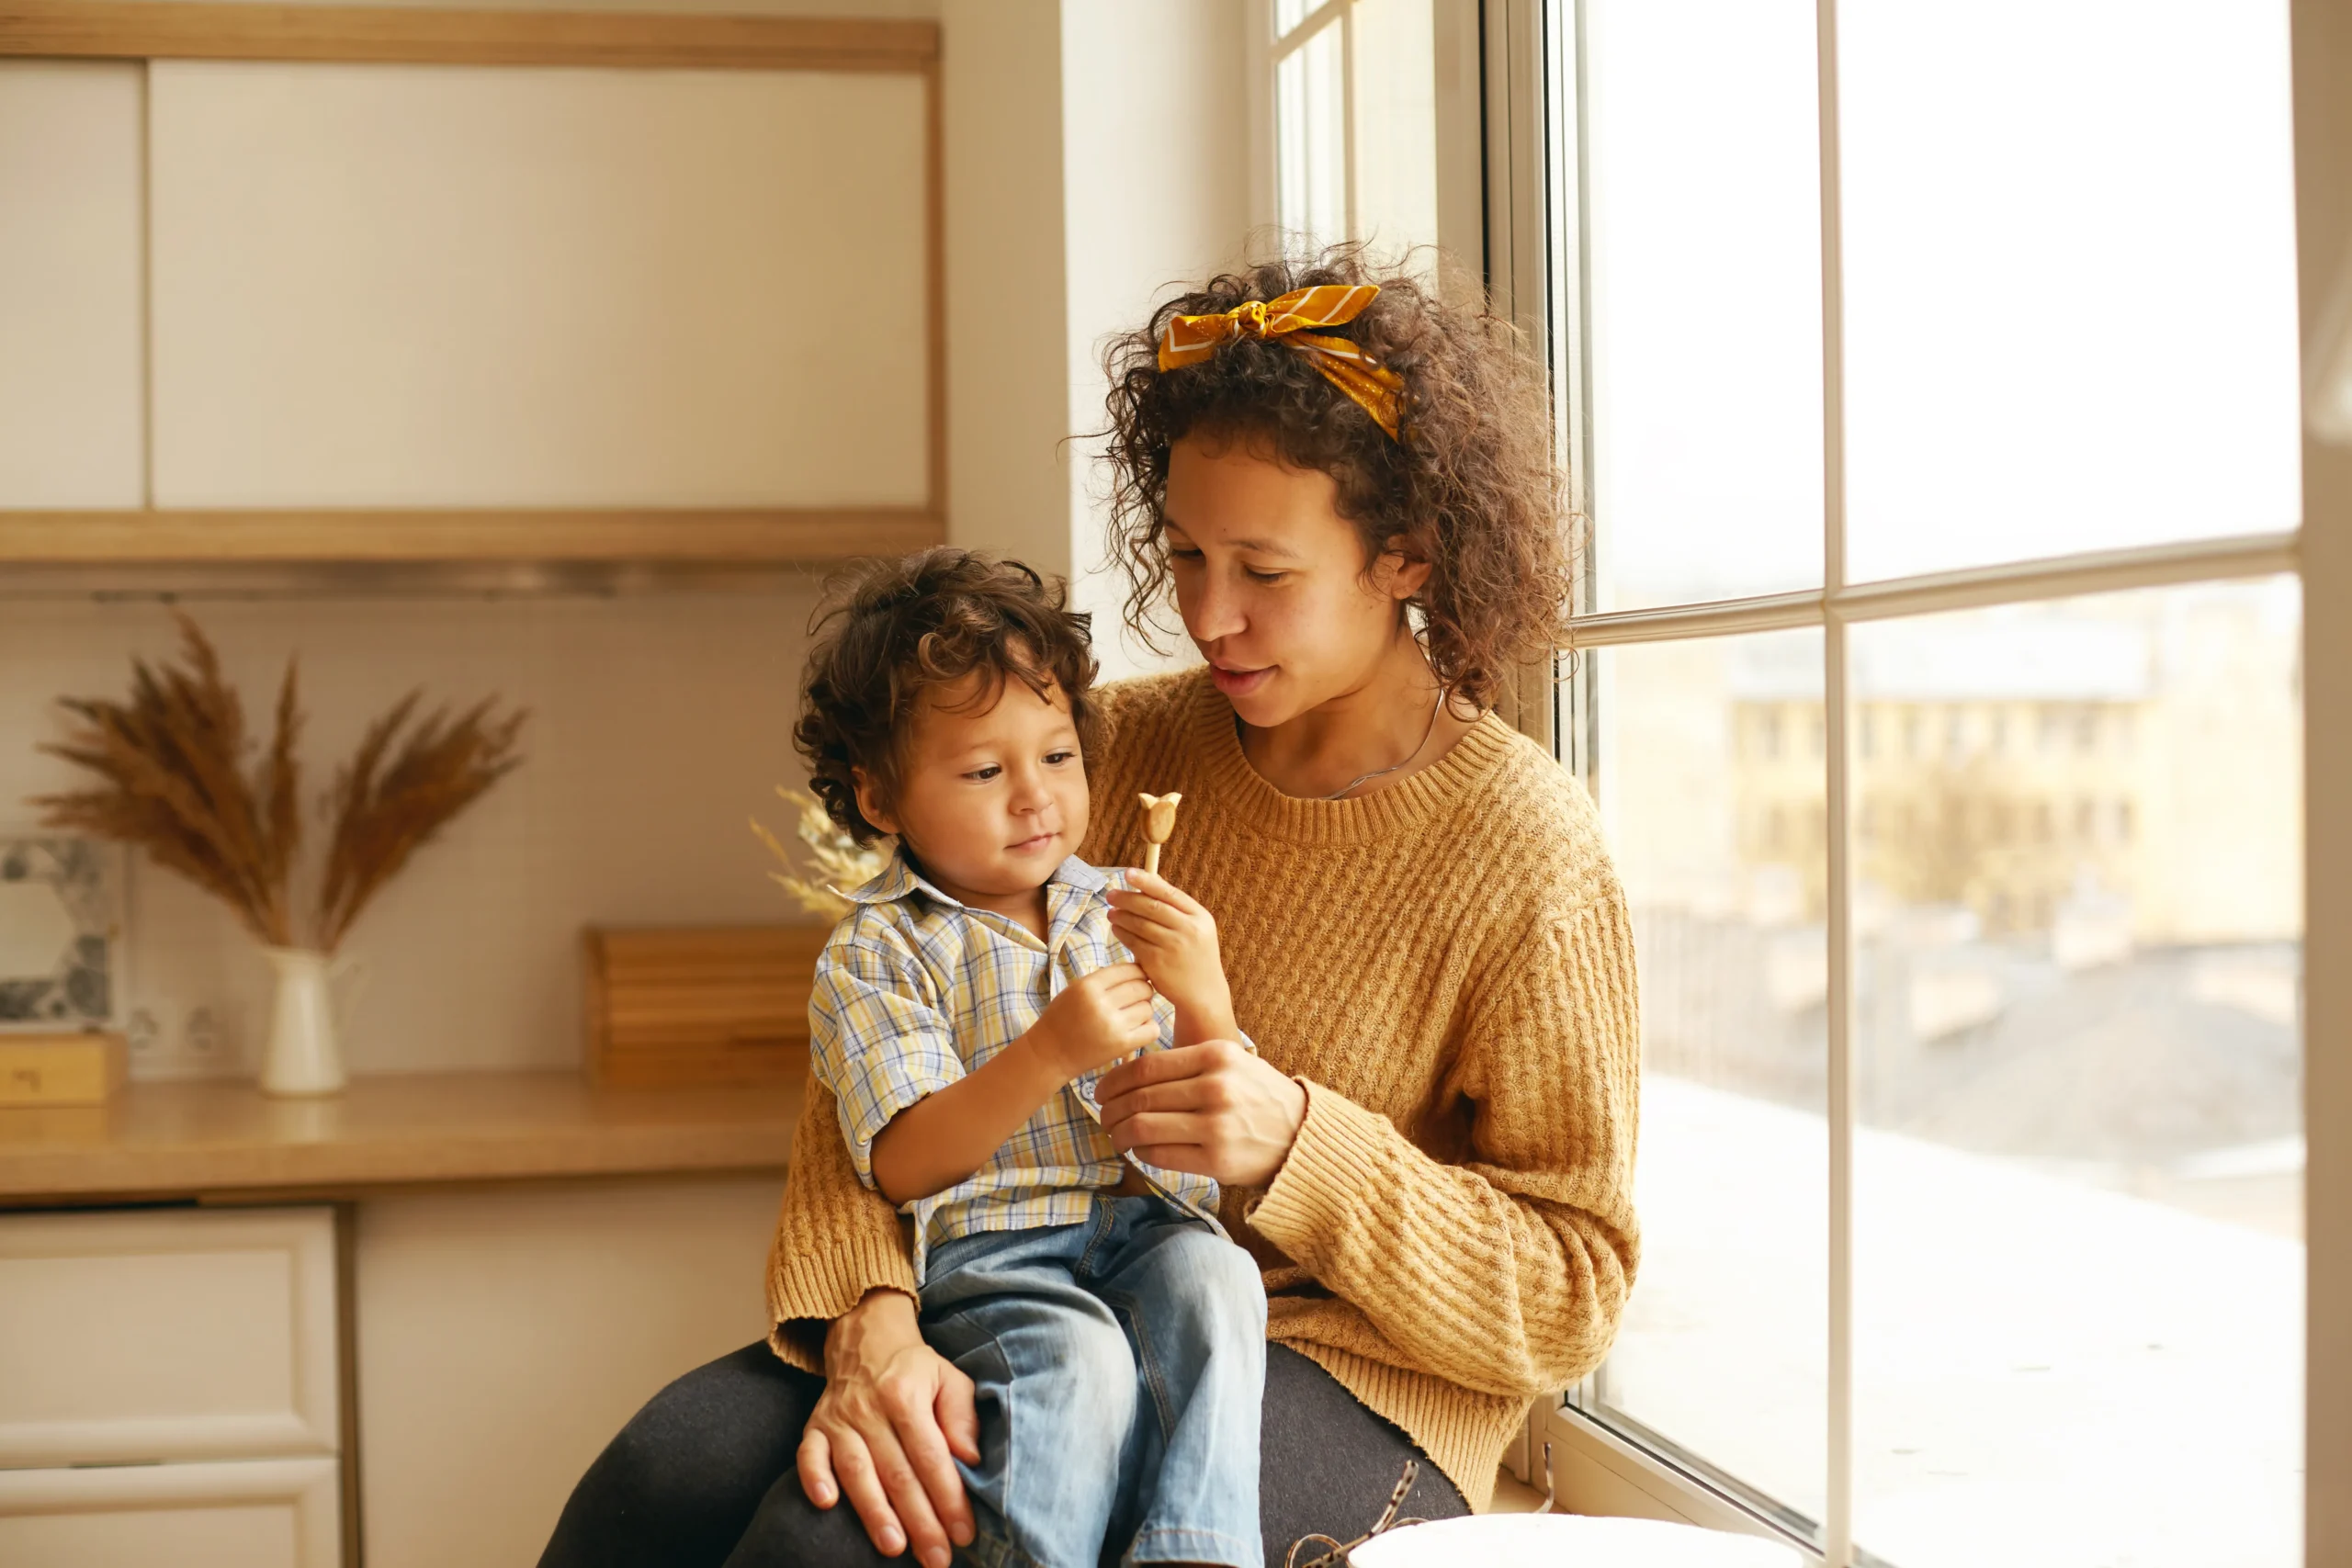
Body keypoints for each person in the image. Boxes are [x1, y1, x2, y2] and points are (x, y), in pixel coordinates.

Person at [538, 247, 1642, 1568]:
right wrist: (870, 1313)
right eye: (1182, 552)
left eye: (1263, 569)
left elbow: (1574, 1283)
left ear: (1403, 552)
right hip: (1021, 1277)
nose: (1208, 614)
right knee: (657, 1476)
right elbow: (877, 1059)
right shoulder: (1102, 751)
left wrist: (1301, 1142)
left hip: (1346, 1369)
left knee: (855, 1543)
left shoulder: (1529, 847)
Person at [797, 547, 1265, 1568]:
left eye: (1057, 757)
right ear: (880, 801)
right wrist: (1051, 1050)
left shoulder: (1116, 907)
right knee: (1079, 1359)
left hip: (1140, 1227)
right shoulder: (877, 951)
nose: (1034, 798)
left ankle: (1197, 1551)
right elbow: (904, 1161)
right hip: (993, 1250)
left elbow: (1216, 1121)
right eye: (982, 772)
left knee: (1219, 1282)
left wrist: (1205, 995)